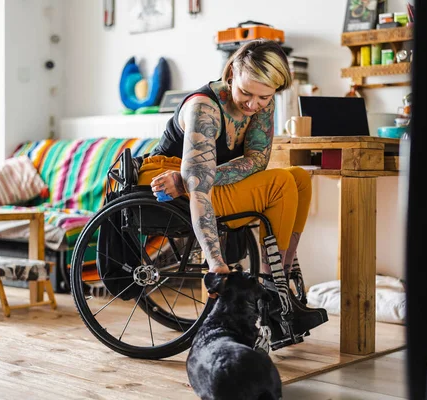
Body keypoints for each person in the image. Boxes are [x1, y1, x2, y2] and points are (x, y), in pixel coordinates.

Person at [137, 39, 324, 339]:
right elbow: (199, 190)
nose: (254, 104)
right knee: (281, 183)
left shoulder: (262, 100)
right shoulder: (204, 108)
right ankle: (273, 295)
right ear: (231, 74)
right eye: (246, 93)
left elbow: (256, 161)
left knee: (299, 177)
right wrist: (216, 264)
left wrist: (195, 177)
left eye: (264, 97)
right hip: (166, 179)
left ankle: (280, 286)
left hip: (194, 179)